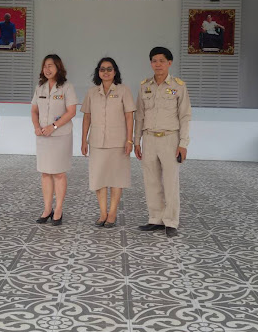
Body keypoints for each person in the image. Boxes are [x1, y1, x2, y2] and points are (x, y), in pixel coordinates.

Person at [134, 47, 192, 238]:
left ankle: (171, 221)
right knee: (151, 181)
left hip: (170, 139)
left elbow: (185, 116)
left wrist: (183, 143)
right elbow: (139, 116)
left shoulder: (178, 86)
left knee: (170, 182)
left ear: (169, 63)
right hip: (149, 138)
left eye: (161, 60)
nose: (157, 64)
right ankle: (155, 219)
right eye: (154, 60)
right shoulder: (145, 86)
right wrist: (136, 141)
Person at [81, 57, 136, 228]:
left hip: (118, 142)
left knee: (116, 178)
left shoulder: (123, 90)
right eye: (102, 69)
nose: (106, 72)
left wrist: (130, 140)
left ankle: (112, 213)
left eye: (109, 69)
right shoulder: (92, 92)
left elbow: (129, 116)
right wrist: (84, 140)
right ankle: (103, 213)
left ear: (115, 71)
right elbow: (87, 117)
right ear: (98, 72)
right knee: (99, 178)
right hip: (97, 142)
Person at [31, 54, 78, 226]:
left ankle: (58, 209)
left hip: (60, 136)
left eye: (50, 65)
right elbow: (34, 110)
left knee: (59, 173)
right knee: (45, 173)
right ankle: (47, 209)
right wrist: (37, 126)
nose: (47, 69)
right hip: (43, 136)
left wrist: (54, 126)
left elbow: (71, 111)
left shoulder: (67, 87)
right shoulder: (40, 87)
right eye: (45, 66)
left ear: (58, 67)